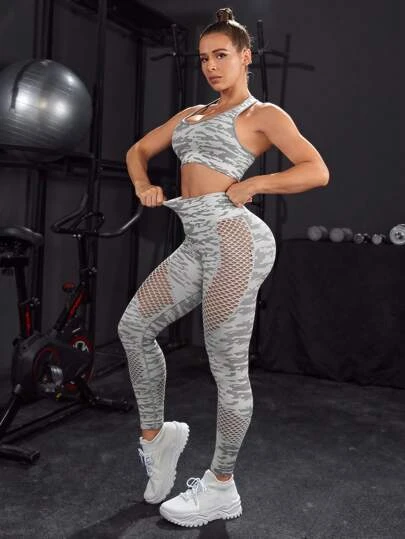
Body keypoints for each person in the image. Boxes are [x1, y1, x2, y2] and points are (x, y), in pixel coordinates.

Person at [118, 7, 329, 528]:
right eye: (204, 58)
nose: (211, 66)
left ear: (245, 57)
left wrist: (254, 184)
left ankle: (220, 485)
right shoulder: (192, 113)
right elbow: (138, 150)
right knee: (134, 328)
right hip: (197, 240)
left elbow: (316, 170)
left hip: (236, 242)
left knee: (226, 368)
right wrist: (143, 185)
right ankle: (158, 438)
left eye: (221, 56)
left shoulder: (263, 114)